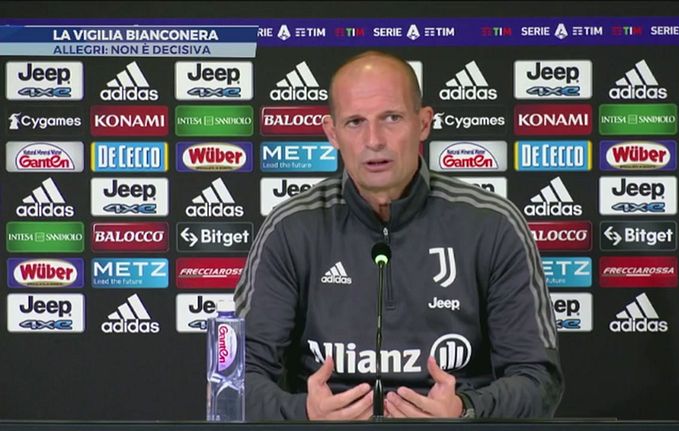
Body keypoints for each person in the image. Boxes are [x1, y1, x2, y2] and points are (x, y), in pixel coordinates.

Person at [234, 50, 563, 421]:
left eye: (391, 118)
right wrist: (305, 414)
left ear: (423, 123)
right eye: (355, 122)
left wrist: (465, 410)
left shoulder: (492, 225)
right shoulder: (291, 229)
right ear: (332, 133)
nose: (374, 140)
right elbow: (235, 378)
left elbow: (538, 380)